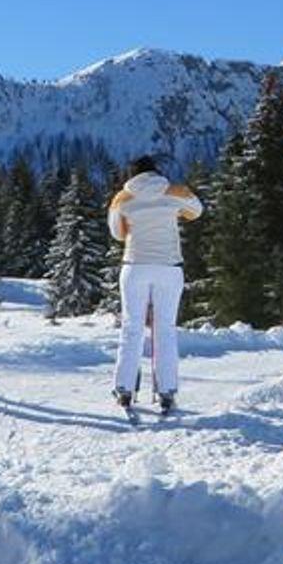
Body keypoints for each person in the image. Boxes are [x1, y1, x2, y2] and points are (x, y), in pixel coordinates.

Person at [107, 155, 203, 416]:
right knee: (165, 330)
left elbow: (117, 233)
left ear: (132, 175)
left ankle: (124, 389)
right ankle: (166, 391)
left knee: (132, 328)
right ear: (156, 172)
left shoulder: (122, 198)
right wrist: (173, 210)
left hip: (135, 265)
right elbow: (196, 211)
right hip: (169, 267)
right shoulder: (173, 191)